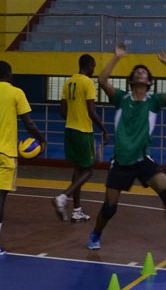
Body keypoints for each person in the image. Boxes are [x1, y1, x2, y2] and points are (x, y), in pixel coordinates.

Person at [89, 43, 166, 256]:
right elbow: (102, 80)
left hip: (142, 160)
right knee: (109, 208)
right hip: (121, 161)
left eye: (144, 73)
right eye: (137, 72)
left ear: (149, 82)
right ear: (132, 81)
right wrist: (116, 57)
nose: (141, 73)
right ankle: (96, 233)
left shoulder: (154, 102)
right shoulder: (121, 98)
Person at [0, 60, 46, 257]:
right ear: (9, 75)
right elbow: (28, 123)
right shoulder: (16, 92)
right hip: (6, 152)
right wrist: (41, 140)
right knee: (0, 196)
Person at [52, 54, 109, 223]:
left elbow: (63, 112)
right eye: (94, 66)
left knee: (78, 169)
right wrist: (104, 130)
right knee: (89, 170)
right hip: (83, 131)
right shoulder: (88, 83)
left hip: (69, 130)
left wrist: (75, 116)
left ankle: (77, 211)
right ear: (89, 66)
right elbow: (92, 112)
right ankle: (63, 197)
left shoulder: (68, 82)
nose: (94, 70)